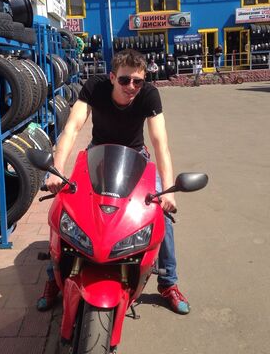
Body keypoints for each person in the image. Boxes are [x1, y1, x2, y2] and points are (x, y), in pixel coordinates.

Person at [36, 49, 191, 315]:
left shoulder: (149, 95)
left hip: (136, 156)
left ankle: (168, 282)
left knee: (160, 213)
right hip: (97, 154)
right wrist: (57, 170)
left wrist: (167, 191)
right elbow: (72, 128)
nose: (131, 86)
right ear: (111, 77)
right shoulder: (94, 88)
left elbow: (160, 143)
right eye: (124, 80)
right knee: (65, 205)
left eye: (137, 81)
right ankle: (54, 276)